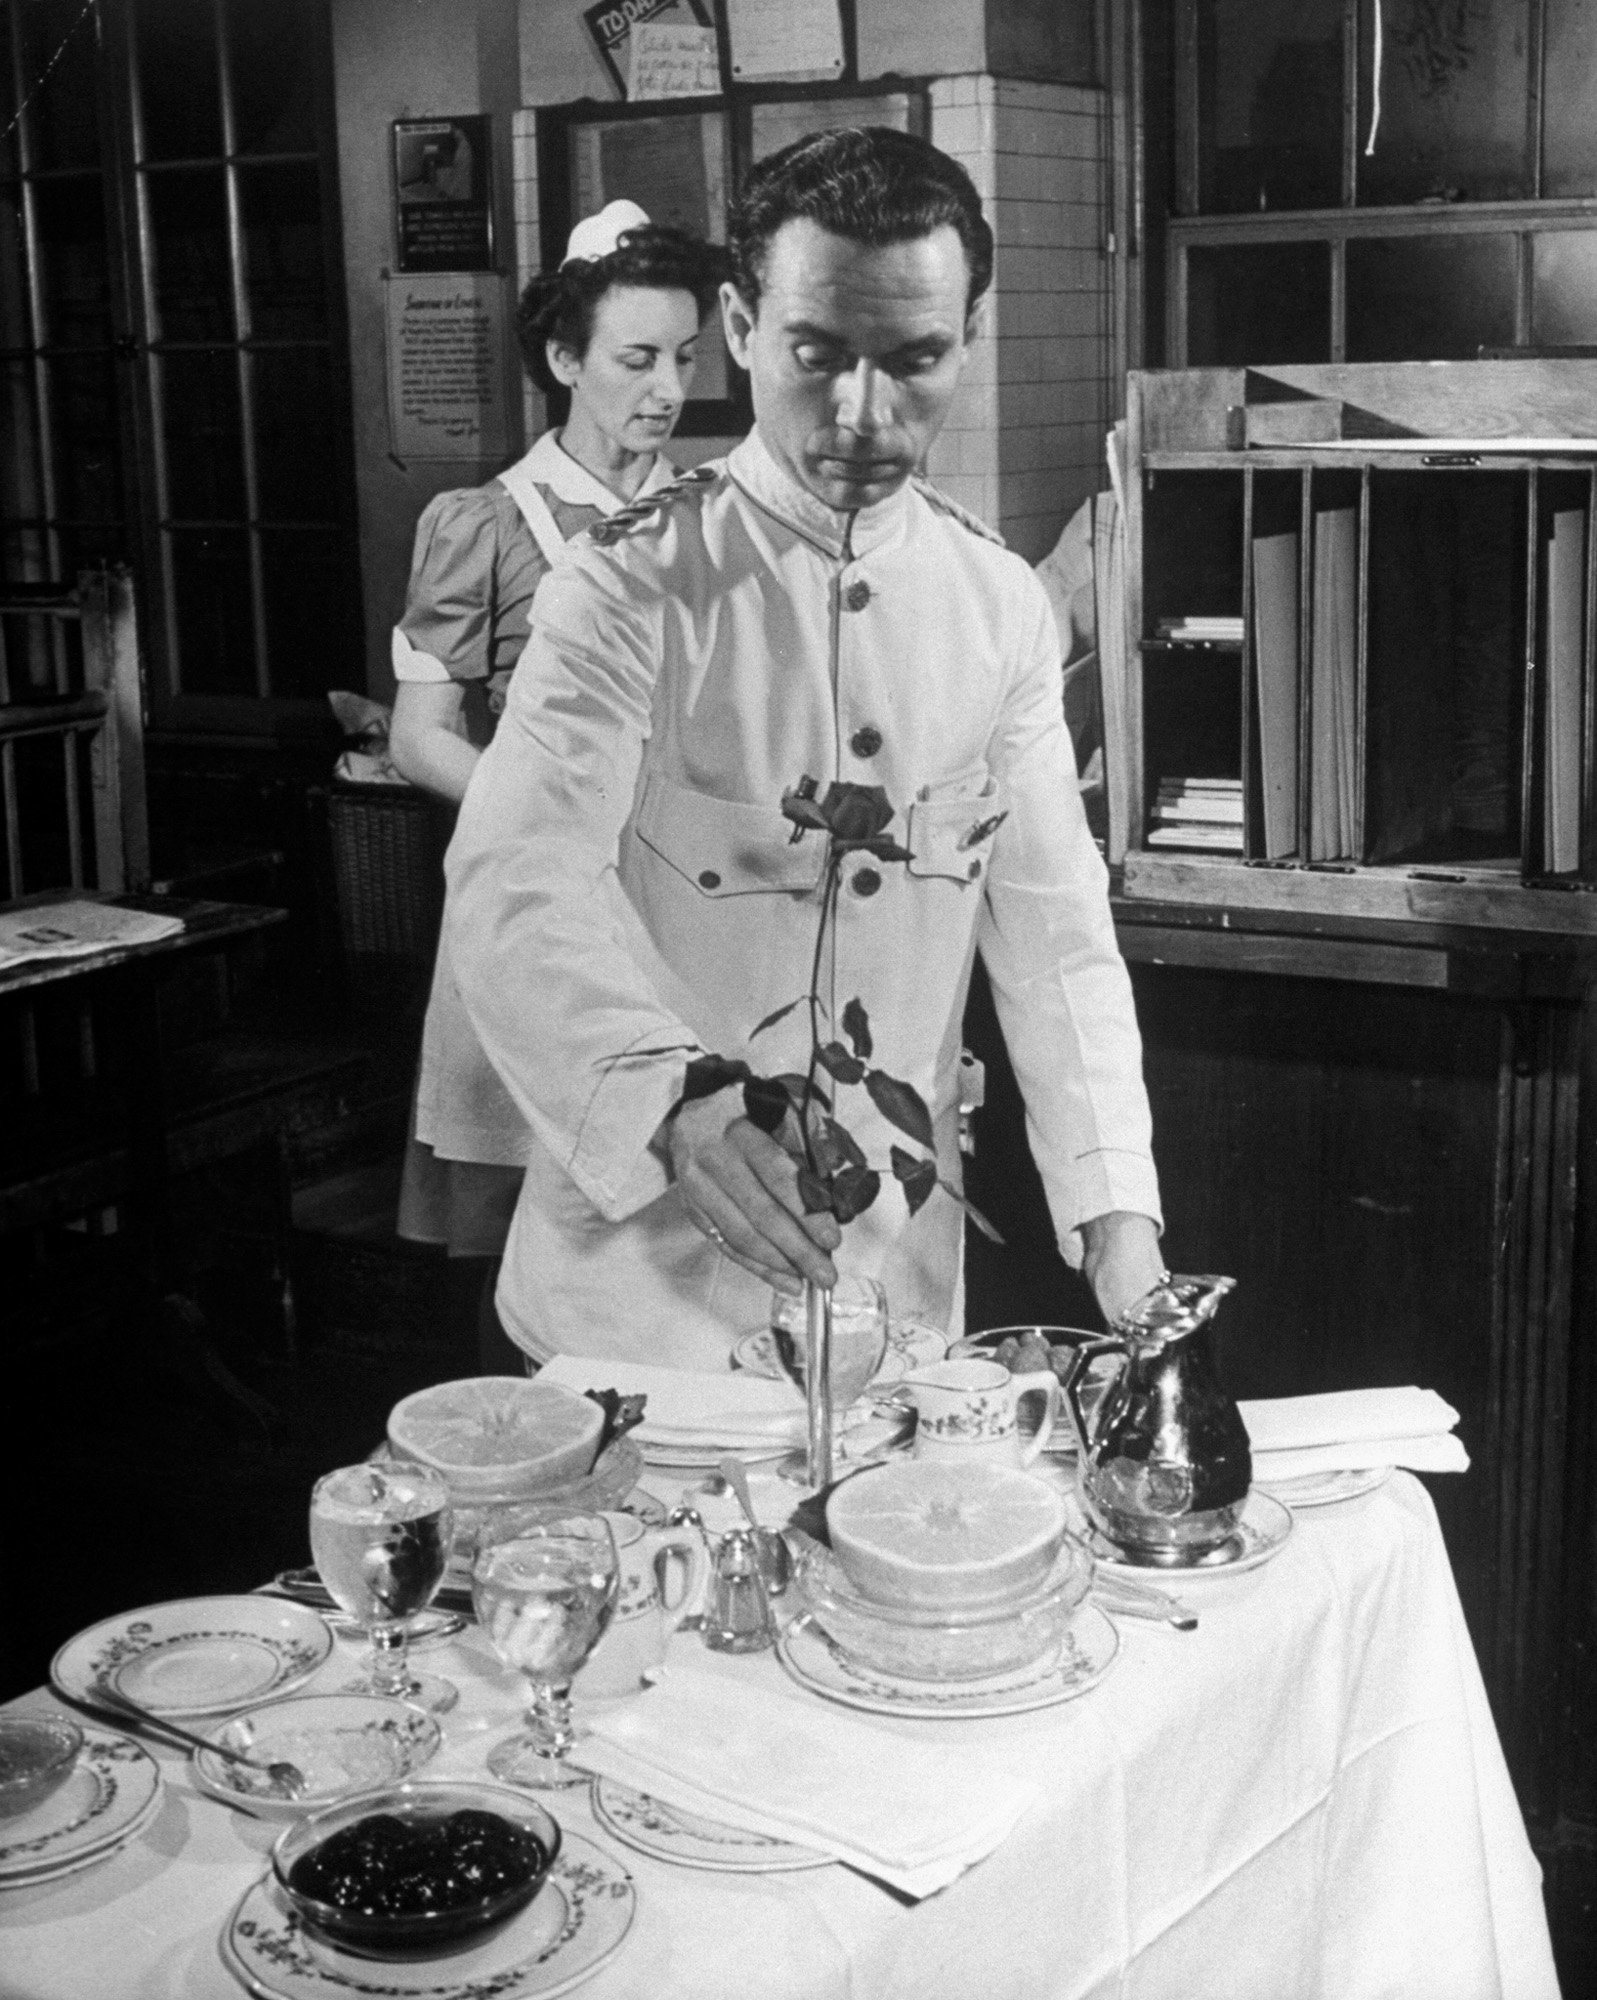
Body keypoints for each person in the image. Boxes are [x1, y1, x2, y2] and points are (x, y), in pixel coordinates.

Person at [446, 128, 1165, 1372]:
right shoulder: (627, 589)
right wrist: (668, 1099)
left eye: (915, 361)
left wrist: (1119, 1224)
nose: (861, 415)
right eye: (817, 354)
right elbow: (516, 886)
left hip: (888, 1304)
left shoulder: (997, 609)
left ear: (970, 337)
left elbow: (1055, 937)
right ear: (738, 321)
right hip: (637, 1309)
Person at [389, 201, 727, 1311]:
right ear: (564, 358)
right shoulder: (487, 523)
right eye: (636, 359)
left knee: (683, 1226)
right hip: (539, 907)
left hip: (686, 914)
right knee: (538, 1240)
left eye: (684, 355)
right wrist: (561, 808)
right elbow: (416, 737)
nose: (667, 387)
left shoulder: (717, 516)